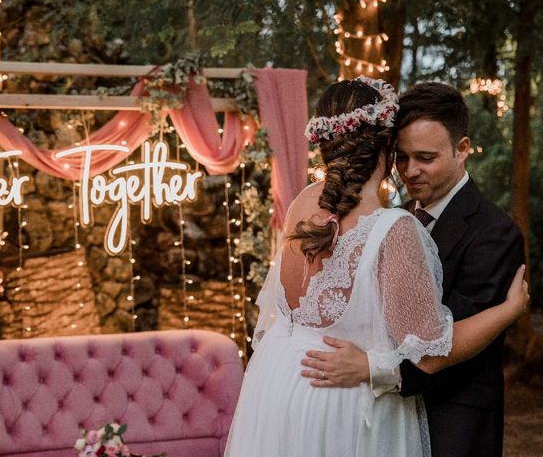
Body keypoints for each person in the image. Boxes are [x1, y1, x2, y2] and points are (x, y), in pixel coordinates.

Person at [224, 77, 528, 457]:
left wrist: (373, 367)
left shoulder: (304, 203)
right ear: (386, 145)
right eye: (403, 157)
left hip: (282, 388)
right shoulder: (392, 225)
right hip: (346, 409)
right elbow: (430, 350)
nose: (411, 170)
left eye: (426, 158)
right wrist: (510, 311)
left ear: (462, 149)